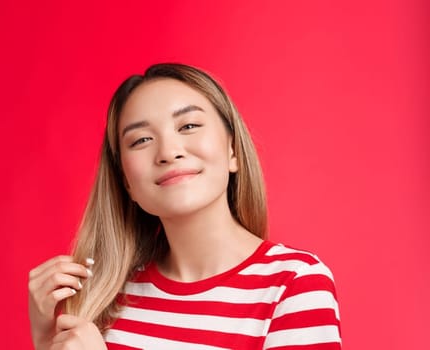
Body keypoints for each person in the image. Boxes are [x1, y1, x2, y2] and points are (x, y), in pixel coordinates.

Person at [27, 63, 341, 349]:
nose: (168, 151)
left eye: (188, 126)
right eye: (141, 140)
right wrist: (45, 340)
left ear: (233, 151)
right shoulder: (107, 296)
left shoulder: (294, 283)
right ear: (126, 182)